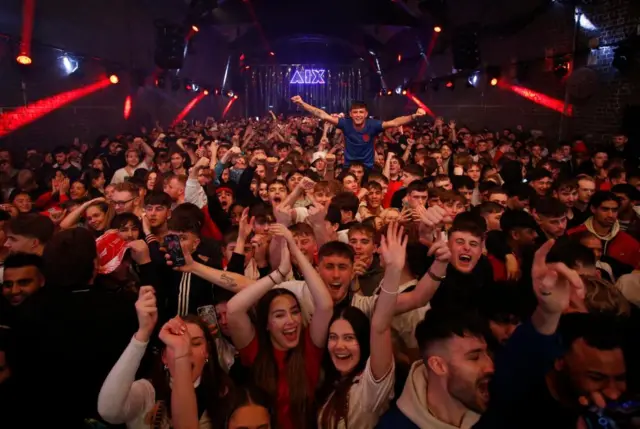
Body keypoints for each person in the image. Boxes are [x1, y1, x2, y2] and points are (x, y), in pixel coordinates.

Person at [226, 223, 332, 429]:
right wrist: (279, 273)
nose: (291, 321)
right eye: (279, 315)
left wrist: (294, 249)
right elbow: (233, 309)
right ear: (266, 324)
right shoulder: (255, 349)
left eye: (294, 312)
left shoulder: (309, 347)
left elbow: (325, 305)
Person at [98, 287, 233, 429]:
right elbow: (109, 411)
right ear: (164, 357)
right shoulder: (148, 393)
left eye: (196, 343)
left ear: (207, 352)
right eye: (175, 345)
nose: (185, 351)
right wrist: (143, 333)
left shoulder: (224, 393)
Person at [317, 222, 406, 429]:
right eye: (333, 337)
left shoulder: (370, 389)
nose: (339, 346)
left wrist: (393, 271)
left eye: (349, 338)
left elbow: (380, 325)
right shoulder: (330, 384)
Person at [291, 96, 426, 169]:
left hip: (368, 167)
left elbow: (395, 122)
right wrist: (302, 103)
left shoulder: (373, 125)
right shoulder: (345, 123)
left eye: (361, 112)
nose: (358, 115)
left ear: (366, 114)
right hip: (348, 166)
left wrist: (414, 116)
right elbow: (323, 115)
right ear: (350, 114)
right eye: (355, 112)